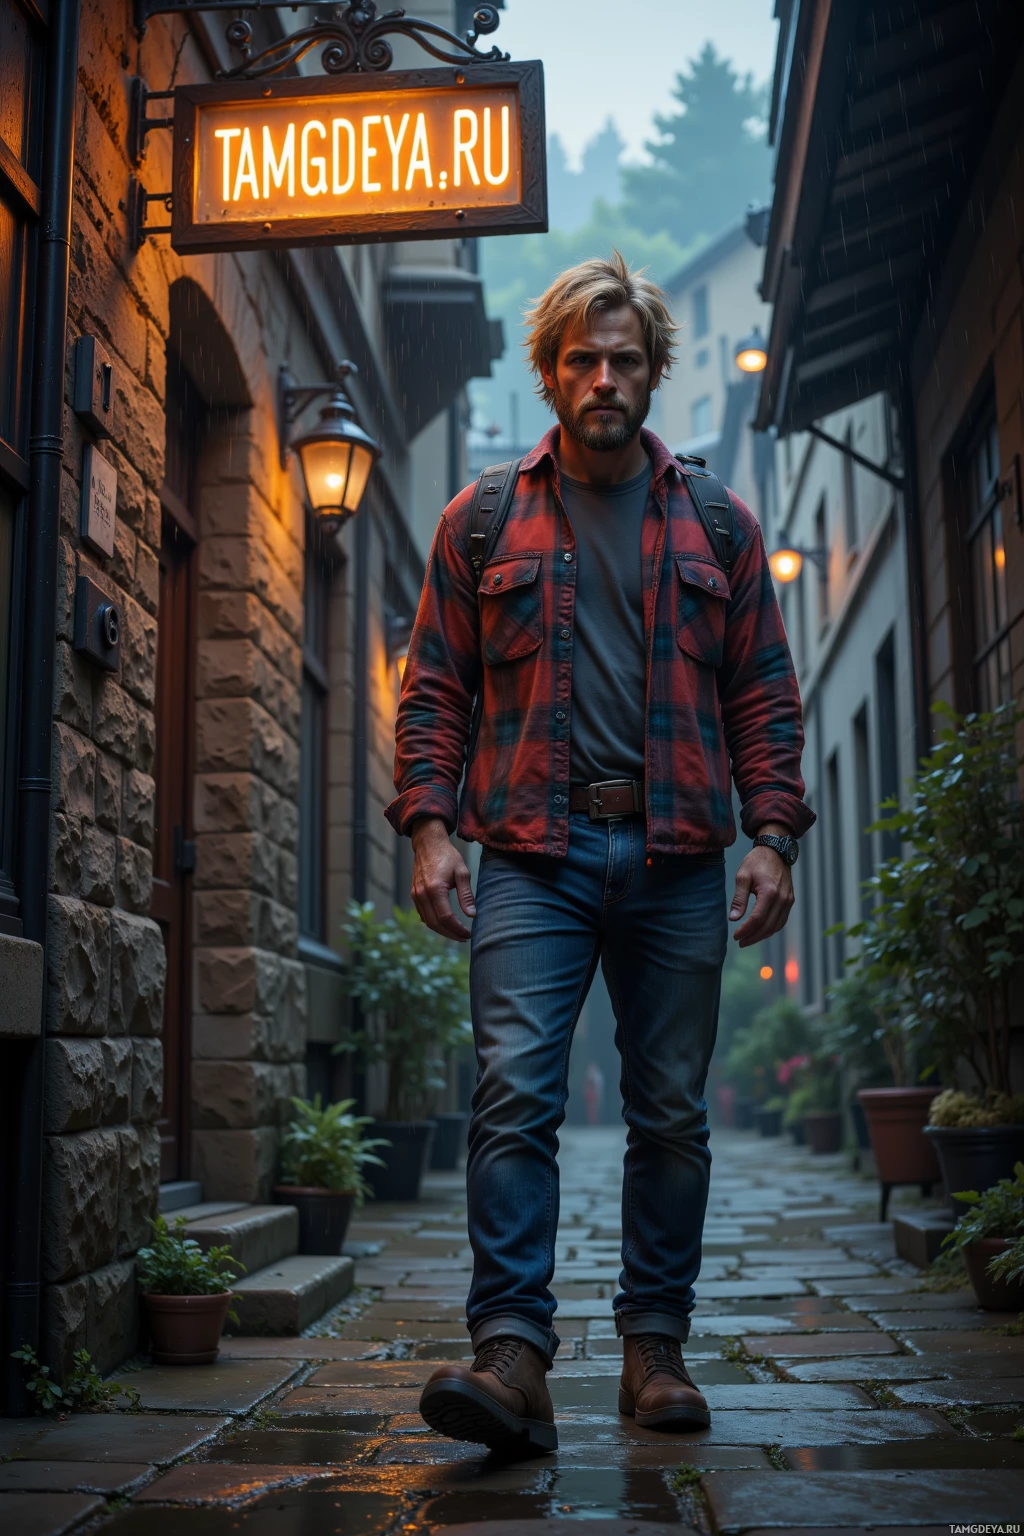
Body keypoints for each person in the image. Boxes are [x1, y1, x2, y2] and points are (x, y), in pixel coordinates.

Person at [385, 253, 813, 1454]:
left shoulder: (719, 521)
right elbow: (432, 696)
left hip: (678, 850)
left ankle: (653, 1350)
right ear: (550, 373)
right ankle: (511, 1354)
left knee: (670, 1112)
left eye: (626, 359)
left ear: (654, 373)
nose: (605, 378)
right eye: (583, 358)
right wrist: (428, 827)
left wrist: (772, 835)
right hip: (532, 846)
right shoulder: (480, 521)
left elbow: (764, 699)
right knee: (513, 1094)